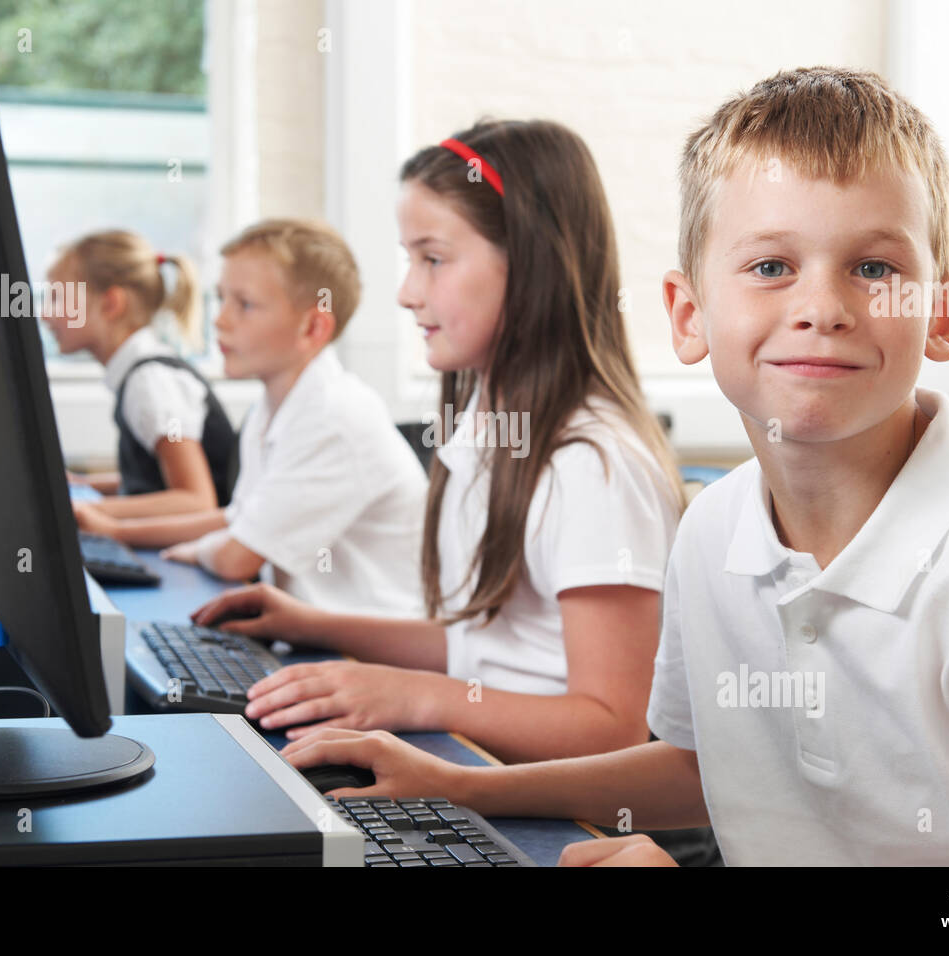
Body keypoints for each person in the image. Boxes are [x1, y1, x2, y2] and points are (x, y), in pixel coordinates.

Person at [269, 68, 949, 866]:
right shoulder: (715, 526)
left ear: (942, 313)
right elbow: (697, 768)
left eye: (874, 267)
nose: (821, 308)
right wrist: (465, 789)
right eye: (770, 267)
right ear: (687, 314)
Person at [191, 120, 687, 768]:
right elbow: (486, 651)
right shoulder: (485, 426)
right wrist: (312, 624)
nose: (406, 293)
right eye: (409, 259)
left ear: (531, 262)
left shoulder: (592, 465)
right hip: (491, 769)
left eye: (432, 258)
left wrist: (418, 698)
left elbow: (612, 726)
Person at [78, 219, 427, 616]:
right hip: (316, 639)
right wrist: (118, 533)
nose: (220, 320)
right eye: (221, 298)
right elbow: (237, 518)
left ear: (313, 327)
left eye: (244, 304)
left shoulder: (334, 416)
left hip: (365, 654)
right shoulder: (271, 408)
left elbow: (236, 557)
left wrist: (196, 550)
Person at [43, 229, 235, 519]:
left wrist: (86, 509)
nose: (46, 313)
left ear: (111, 304)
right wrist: (84, 485)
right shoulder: (140, 373)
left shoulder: (150, 382)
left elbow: (196, 501)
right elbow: (152, 483)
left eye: (58, 297)